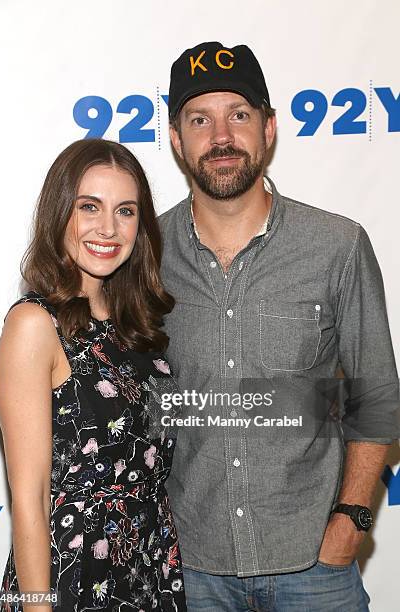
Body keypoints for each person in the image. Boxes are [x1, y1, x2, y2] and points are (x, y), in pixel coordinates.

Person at [158, 41, 399, 611]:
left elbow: (378, 397)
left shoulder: (337, 246)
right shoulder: (146, 254)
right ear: (175, 138)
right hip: (194, 571)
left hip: (315, 568)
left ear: (269, 128)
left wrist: (350, 524)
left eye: (238, 115)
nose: (221, 137)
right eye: (200, 119)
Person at [0, 139, 187, 612]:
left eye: (125, 211)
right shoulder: (33, 325)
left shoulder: (139, 327)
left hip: (150, 566)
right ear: (60, 212)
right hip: (74, 576)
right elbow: (32, 499)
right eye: (89, 207)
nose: (108, 228)